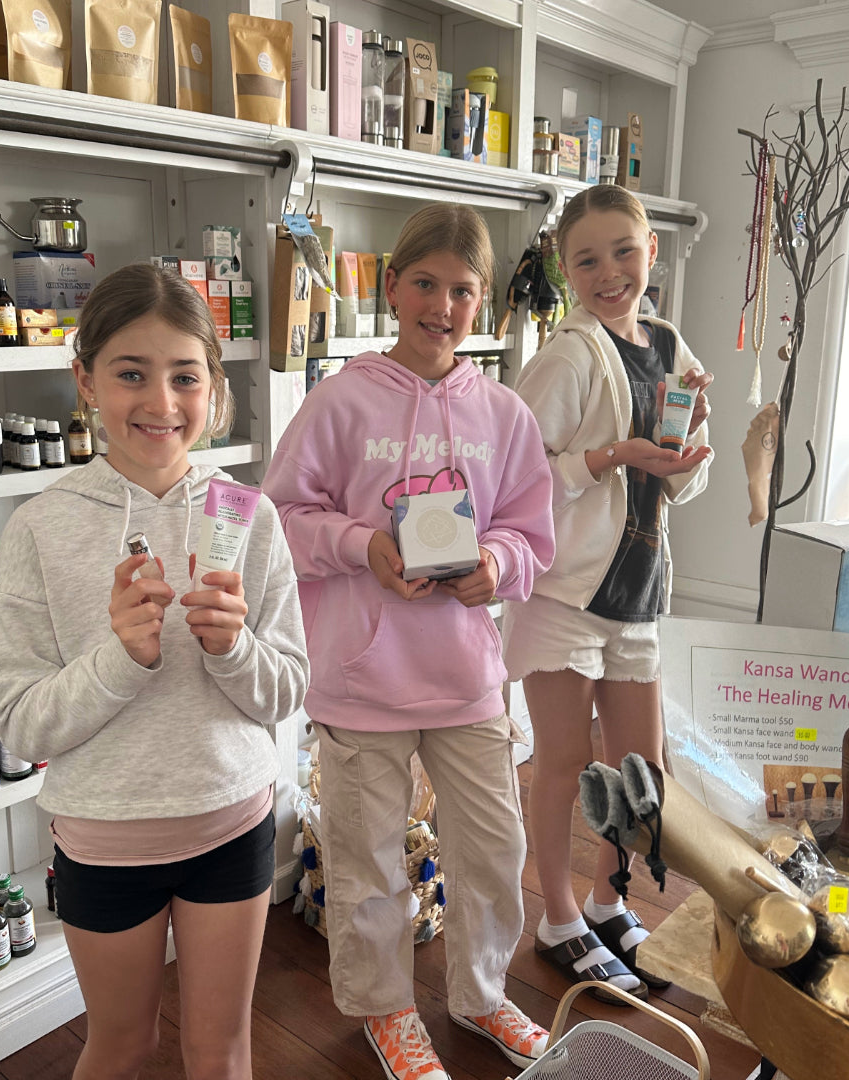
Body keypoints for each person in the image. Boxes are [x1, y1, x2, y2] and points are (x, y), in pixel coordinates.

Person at [0, 263, 310, 1080]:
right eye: (131, 374)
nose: (162, 405)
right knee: (121, 1047)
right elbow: (21, 726)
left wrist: (231, 649)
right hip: (102, 839)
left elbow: (287, 690)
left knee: (221, 1051)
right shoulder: (39, 529)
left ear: (214, 387)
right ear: (85, 380)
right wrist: (119, 660)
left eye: (185, 377)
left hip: (230, 823)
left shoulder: (251, 515)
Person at [262, 203, 556, 1080]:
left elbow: (531, 533)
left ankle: (481, 992)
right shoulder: (341, 398)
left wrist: (497, 567)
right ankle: (385, 1007)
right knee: (367, 861)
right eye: (424, 282)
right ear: (391, 287)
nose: (442, 304)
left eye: (463, 289)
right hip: (360, 681)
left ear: (486, 304)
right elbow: (280, 515)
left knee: (495, 850)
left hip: (467, 678)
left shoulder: (505, 413)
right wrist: (363, 546)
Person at [503, 185, 713, 1003]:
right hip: (565, 595)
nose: (609, 272)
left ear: (651, 249)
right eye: (586, 259)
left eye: (623, 251)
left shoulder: (666, 343)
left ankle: (606, 899)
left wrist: (680, 462)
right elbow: (514, 482)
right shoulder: (566, 356)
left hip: (639, 591)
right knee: (560, 765)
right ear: (564, 268)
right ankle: (556, 920)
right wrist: (608, 457)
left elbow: (673, 488)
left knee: (638, 769)